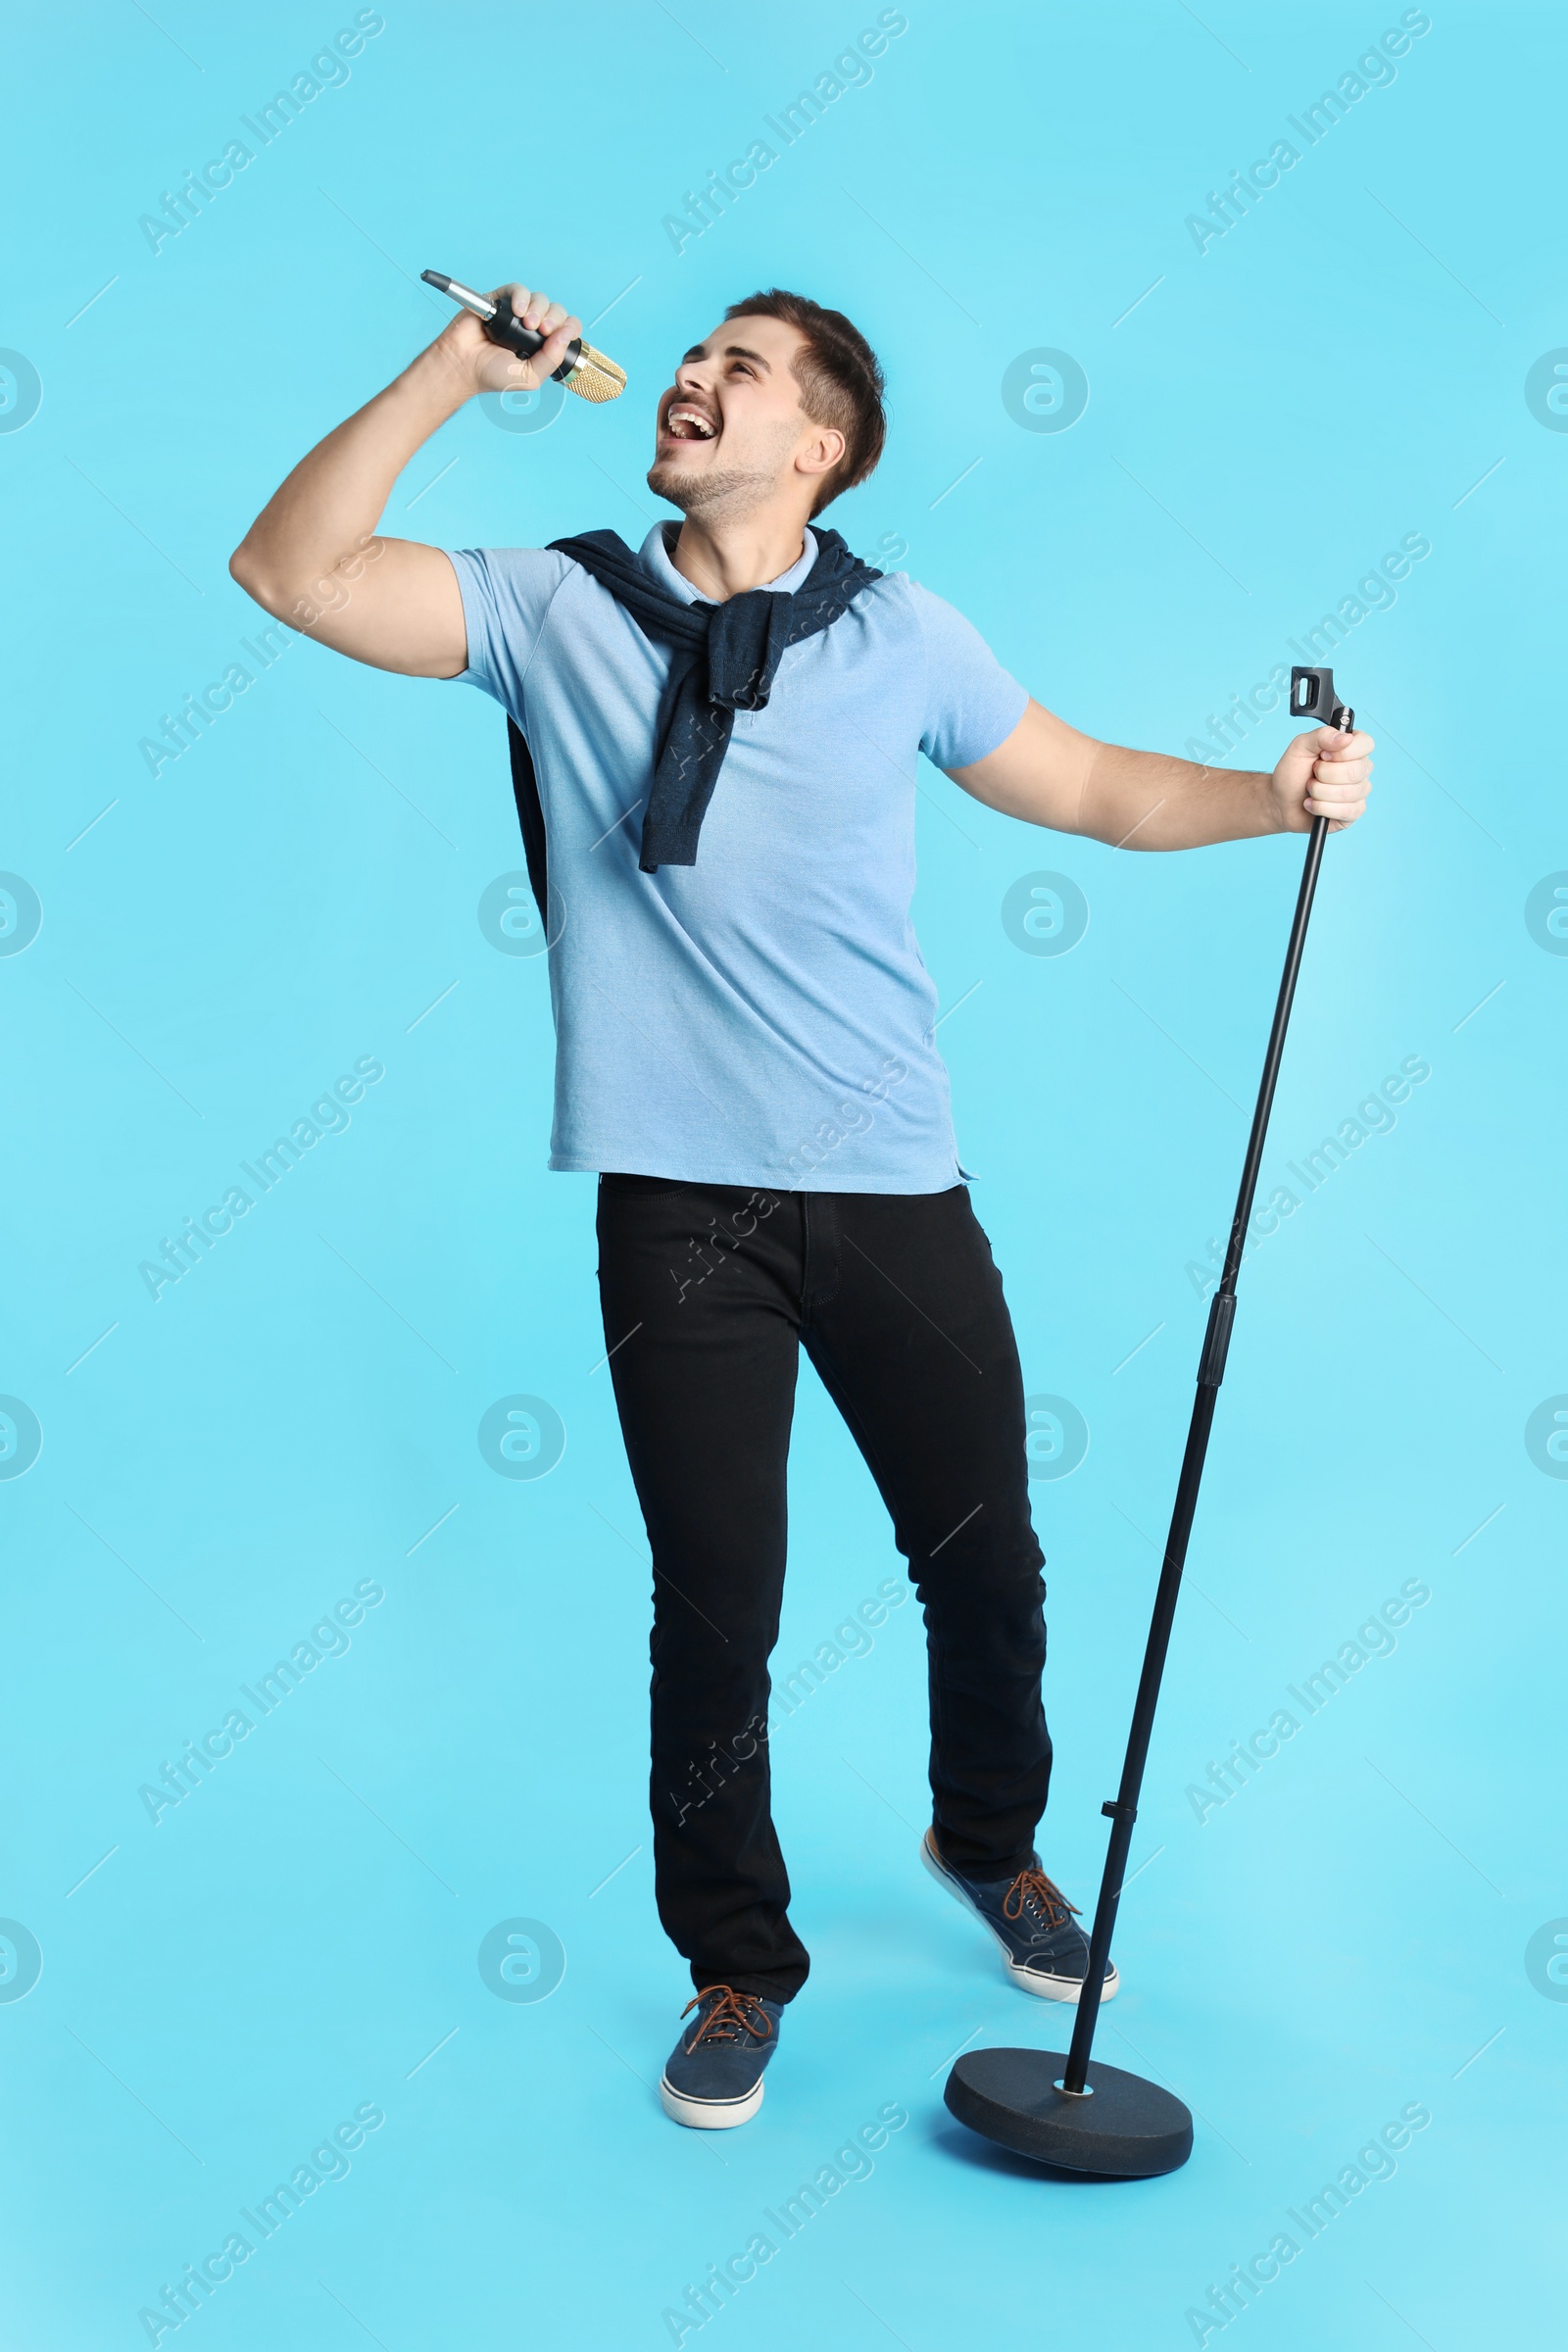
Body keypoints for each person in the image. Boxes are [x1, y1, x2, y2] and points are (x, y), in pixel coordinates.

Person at [230, 278, 1372, 2131]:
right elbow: (290, 572)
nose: (689, 380)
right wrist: (458, 366)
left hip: (892, 1185)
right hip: (681, 1212)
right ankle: (739, 1965)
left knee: (986, 1560)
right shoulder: (554, 605)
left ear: (818, 444)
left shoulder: (899, 633)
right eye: (691, 362)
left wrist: (1271, 794)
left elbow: (1083, 783)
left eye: (737, 372)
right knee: (720, 1606)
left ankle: (987, 1841)